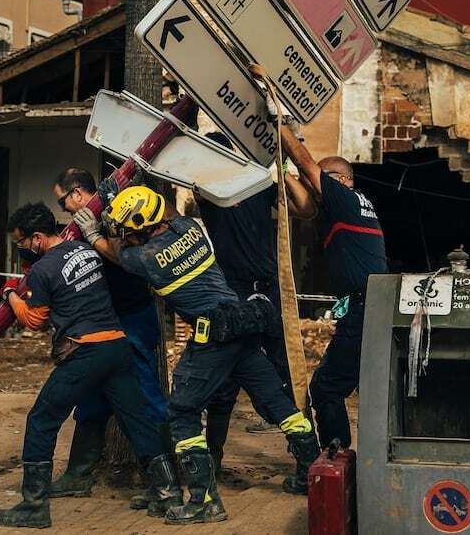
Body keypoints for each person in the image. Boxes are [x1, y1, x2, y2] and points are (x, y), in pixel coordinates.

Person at [75, 186, 321, 525]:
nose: (127, 237)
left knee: (182, 411)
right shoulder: (189, 229)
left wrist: (93, 233)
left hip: (213, 335)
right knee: (275, 402)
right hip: (241, 323)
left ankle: (204, 501)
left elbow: (112, 251)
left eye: (131, 231)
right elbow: (168, 215)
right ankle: (313, 475)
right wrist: (122, 204)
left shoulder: (144, 259)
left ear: (145, 229)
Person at [0, 202, 180, 529]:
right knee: (137, 421)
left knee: (42, 418)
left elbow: (34, 319)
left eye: (21, 243)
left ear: (36, 239)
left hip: (86, 352)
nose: (21, 248)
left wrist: (10, 293)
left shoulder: (43, 269)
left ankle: (33, 505)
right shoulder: (84, 250)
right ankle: (169, 493)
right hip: (117, 347)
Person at [195, 132, 316, 473]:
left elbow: (305, 208)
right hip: (231, 292)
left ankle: (305, 463)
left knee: (283, 371)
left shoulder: (259, 184)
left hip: (267, 289)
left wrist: (280, 167)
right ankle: (214, 459)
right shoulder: (205, 189)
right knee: (225, 378)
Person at [48, 167, 168, 504]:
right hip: (102, 323)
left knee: (145, 397)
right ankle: (78, 474)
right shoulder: (83, 226)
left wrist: (97, 234)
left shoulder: (117, 215)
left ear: (76, 194)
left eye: (63, 200)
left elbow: (130, 260)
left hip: (131, 319)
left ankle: (166, 477)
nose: (64, 208)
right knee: (90, 396)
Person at [279, 125, 388, 449]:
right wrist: (280, 169)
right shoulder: (351, 206)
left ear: (341, 180)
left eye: (321, 181)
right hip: (369, 308)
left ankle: (335, 459)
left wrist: (280, 124)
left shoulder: (343, 197)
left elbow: (306, 164)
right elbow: (301, 206)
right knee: (348, 385)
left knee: (326, 388)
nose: (315, 187)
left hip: (364, 311)